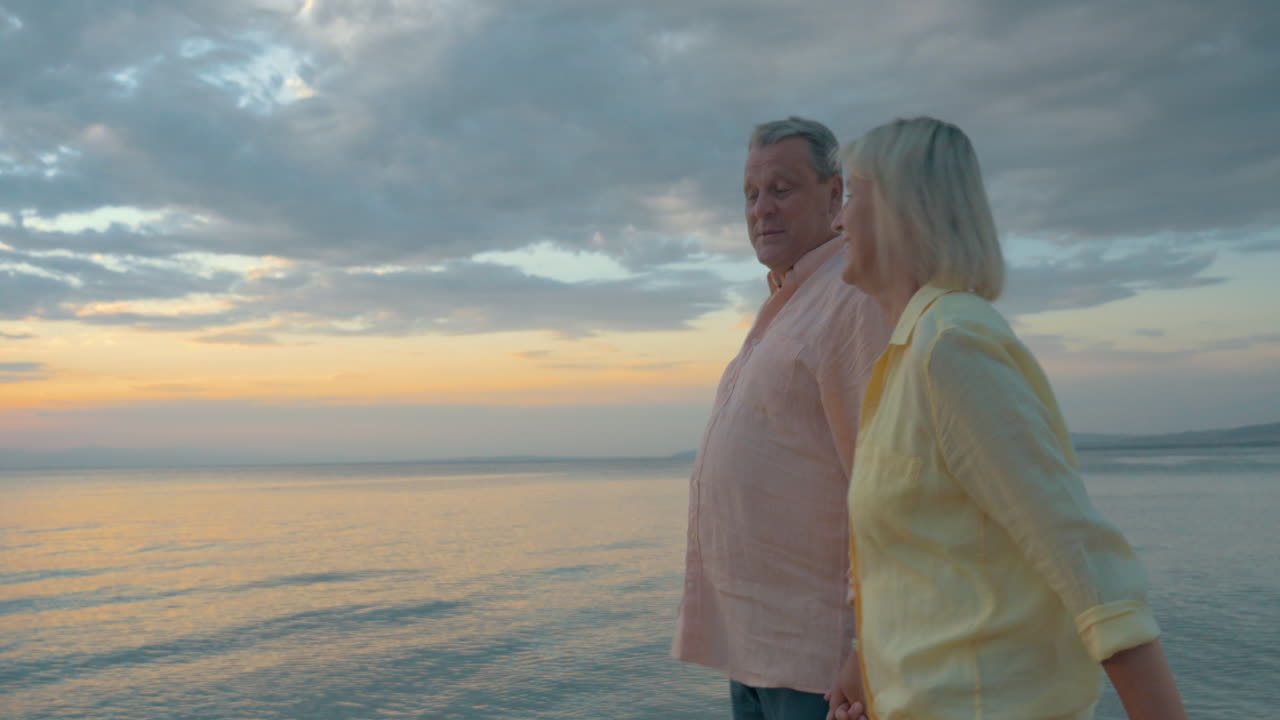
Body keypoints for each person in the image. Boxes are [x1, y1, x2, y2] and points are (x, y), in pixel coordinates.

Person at [826, 116, 1187, 720]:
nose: (836, 220)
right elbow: (929, 560)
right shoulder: (909, 355)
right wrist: (867, 671)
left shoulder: (953, 345)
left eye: (851, 195)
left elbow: (1080, 554)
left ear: (900, 209)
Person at [672, 116, 890, 720]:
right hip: (760, 649)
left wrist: (869, 651)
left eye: (782, 189)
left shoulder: (853, 296)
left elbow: (887, 486)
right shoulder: (791, 299)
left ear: (835, 194)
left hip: (821, 663)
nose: (761, 209)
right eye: (750, 194)